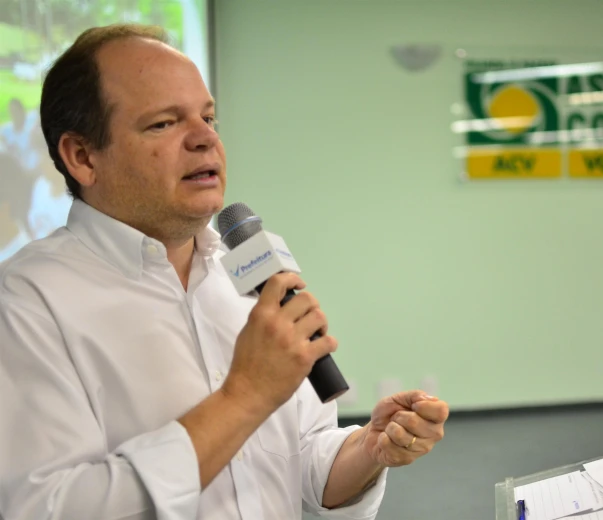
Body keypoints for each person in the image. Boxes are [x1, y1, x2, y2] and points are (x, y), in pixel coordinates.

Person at [0, 24, 449, 519]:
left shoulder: (255, 262)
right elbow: (47, 508)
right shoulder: (26, 300)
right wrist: (245, 396)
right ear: (82, 157)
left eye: (209, 117)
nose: (205, 140)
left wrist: (368, 451)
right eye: (164, 124)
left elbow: (302, 455)